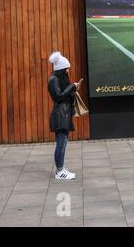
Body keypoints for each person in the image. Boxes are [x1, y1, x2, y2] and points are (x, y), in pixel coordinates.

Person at [48, 51, 82, 180]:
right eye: (66, 68)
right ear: (61, 69)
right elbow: (58, 96)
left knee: (63, 143)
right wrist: (71, 86)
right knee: (61, 144)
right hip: (60, 115)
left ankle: (61, 168)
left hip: (64, 114)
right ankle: (60, 171)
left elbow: (64, 94)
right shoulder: (53, 80)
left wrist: (73, 88)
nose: (68, 71)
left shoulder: (58, 79)